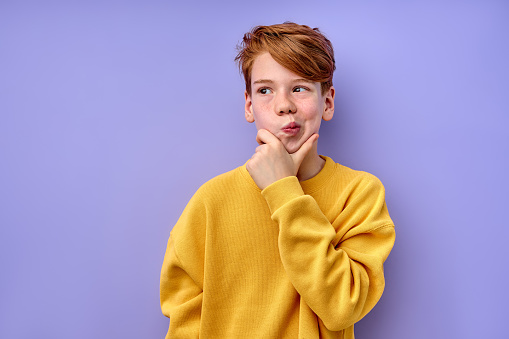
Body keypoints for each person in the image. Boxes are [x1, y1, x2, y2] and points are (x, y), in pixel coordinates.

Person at [160, 22, 396, 338]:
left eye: (300, 87)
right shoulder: (211, 200)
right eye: (265, 90)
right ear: (249, 105)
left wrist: (284, 191)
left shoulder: (359, 193)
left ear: (327, 102)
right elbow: (184, 318)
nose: (284, 105)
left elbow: (343, 306)